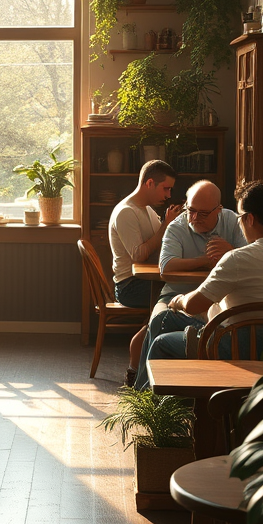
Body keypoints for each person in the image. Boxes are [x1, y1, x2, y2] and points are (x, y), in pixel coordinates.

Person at [134, 180, 263, 390]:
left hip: (234, 347)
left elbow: (194, 305)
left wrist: (178, 301)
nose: (239, 222)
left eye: (241, 217)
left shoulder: (238, 259)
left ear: (250, 219)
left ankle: (154, 413)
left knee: (163, 336)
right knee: (168, 321)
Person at [133, 180, 249, 385]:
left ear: (219, 210)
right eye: (191, 210)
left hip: (220, 299)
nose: (194, 218)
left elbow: (250, 259)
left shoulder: (233, 221)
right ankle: (144, 396)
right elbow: (167, 266)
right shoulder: (177, 226)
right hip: (175, 294)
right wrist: (207, 259)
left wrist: (230, 252)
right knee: (158, 319)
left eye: (203, 213)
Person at [108, 160, 184, 384]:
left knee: (180, 296)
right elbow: (139, 255)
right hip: (130, 286)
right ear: (150, 183)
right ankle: (139, 369)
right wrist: (165, 227)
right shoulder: (126, 212)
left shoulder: (148, 210)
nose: (169, 194)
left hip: (145, 280)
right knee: (177, 299)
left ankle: (155, 368)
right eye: (166, 188)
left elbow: (160, 246)